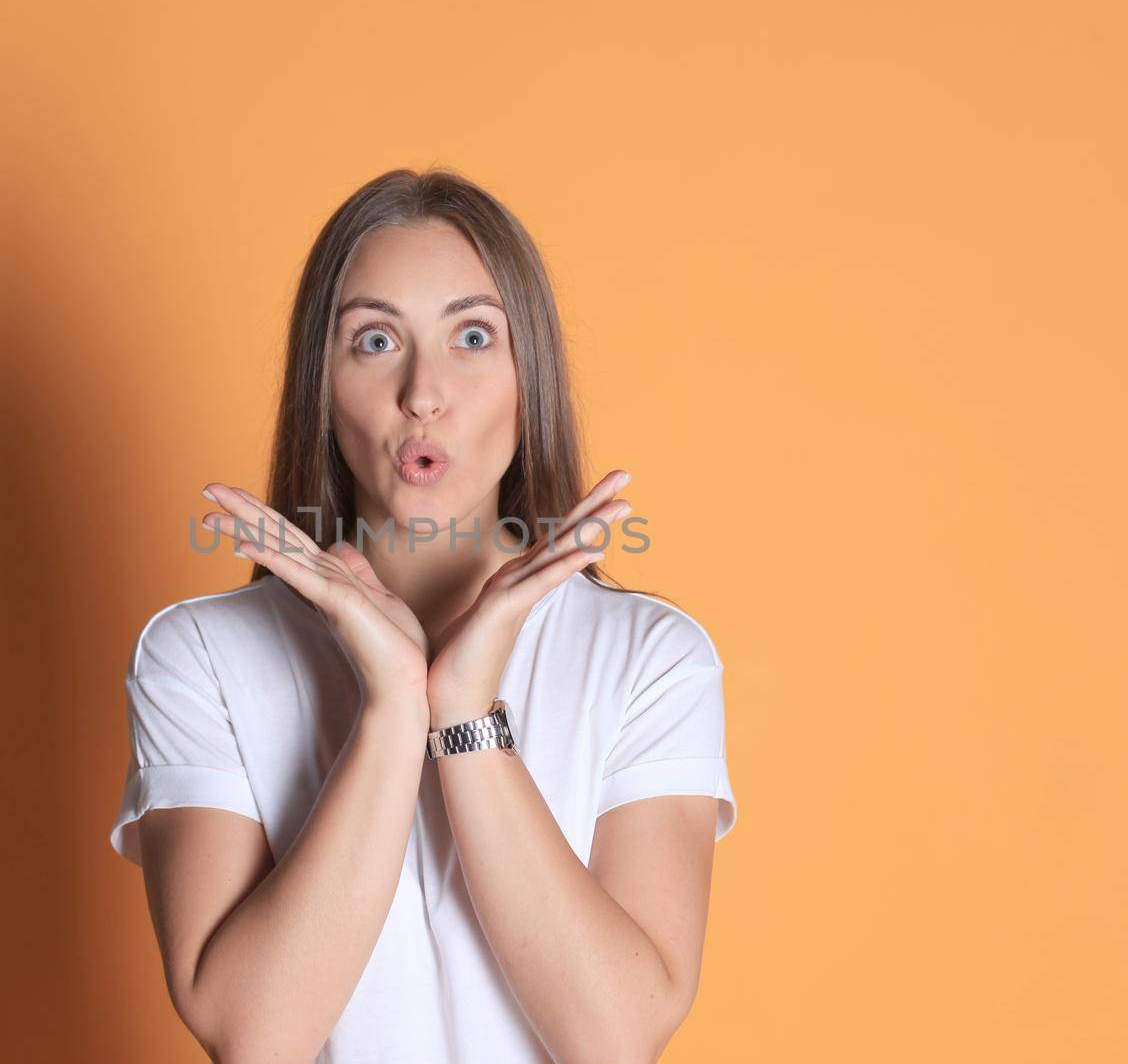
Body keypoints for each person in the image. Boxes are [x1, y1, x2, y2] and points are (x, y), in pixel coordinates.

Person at [108, 167, 738, 1064]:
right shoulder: (201, 654)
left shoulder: (650, 657)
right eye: (373, 341)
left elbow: (617, 1039)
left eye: (473, 336)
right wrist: (394, 703)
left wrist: (468, 709)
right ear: (320, 386)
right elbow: (255, 1035)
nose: (422, 392)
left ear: (533, 378)